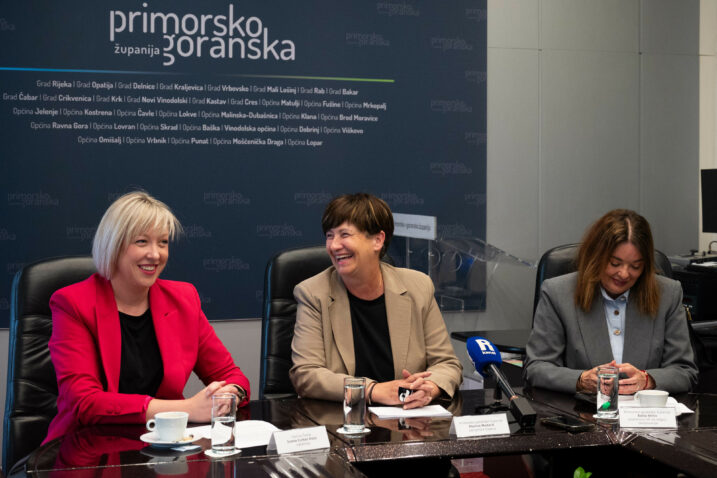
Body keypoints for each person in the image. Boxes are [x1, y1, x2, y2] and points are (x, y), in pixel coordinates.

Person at [45, 191, 249, 443]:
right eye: (141, 242)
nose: (155, 254)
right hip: (88, 447)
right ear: (113, 245)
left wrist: (230, 395)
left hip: (166, 446)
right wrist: (187, 409)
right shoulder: (73, 303)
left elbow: (231, 375)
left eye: (163, 242)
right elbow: (84, 402)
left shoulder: (184, 299)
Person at [290, 193, 462, 409]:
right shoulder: (313, 293)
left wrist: (428, 388)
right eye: (329, 236)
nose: (333, 246)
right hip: (342, 419)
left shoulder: (418, 287)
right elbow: (306, 374)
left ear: (378, 240)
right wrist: (372, 390)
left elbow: (447, 364)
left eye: (344, 234)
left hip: (406, 418)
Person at [524, 209, 698, 394]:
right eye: (615, 263)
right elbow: (536, 368)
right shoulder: (558, 293)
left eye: (635, 266)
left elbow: (684, 371)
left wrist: (647, 380)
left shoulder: (668, 294)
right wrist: (581, 380)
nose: (624, 274)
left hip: (645, 410)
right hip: (579, 408)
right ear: (595, 257)